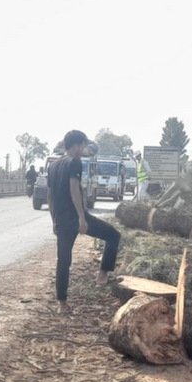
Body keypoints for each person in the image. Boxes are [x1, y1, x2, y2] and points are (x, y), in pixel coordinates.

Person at [47, 129, 121, 313]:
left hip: (61, 220)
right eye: (83, 145)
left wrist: (54, 220)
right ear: (77, 145)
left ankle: (62, 304)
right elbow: (74, 190)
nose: (84, 149)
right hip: (75, 216)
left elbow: (50, 196)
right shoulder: (75, 162)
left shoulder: (53, 165)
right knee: (113, 235)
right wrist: (81, 218)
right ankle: (102, 275)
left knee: (63, 260)